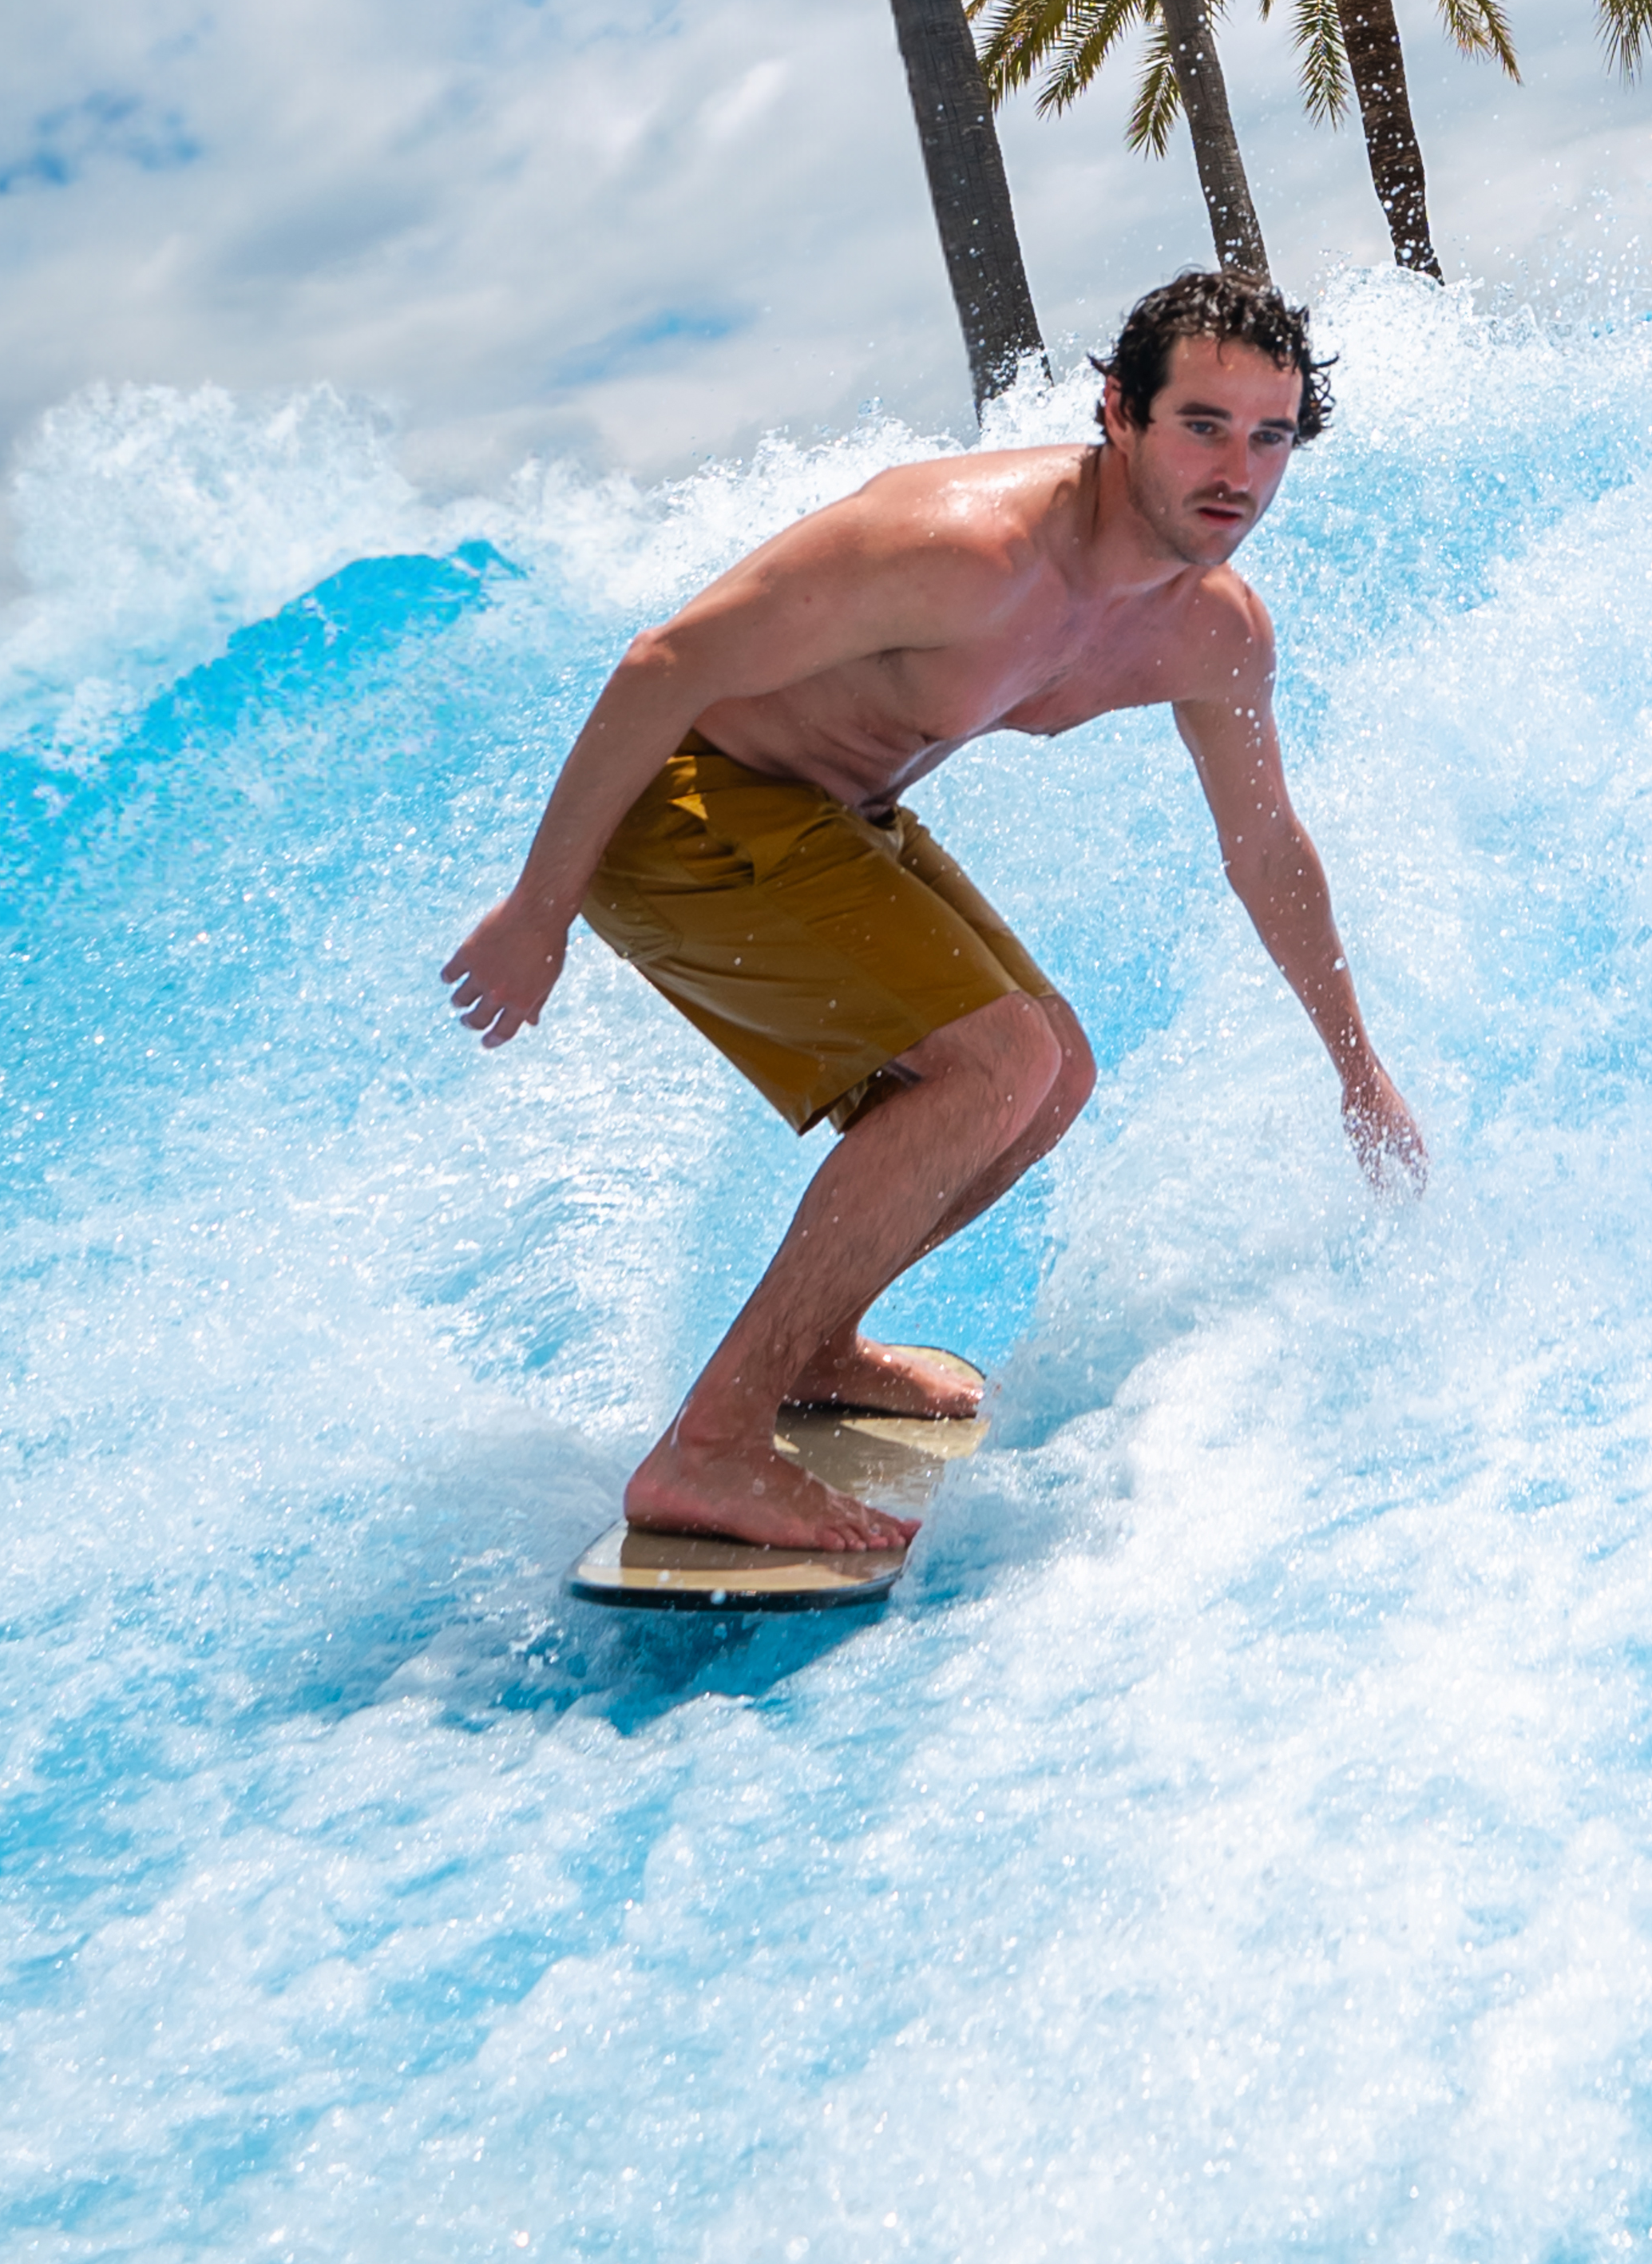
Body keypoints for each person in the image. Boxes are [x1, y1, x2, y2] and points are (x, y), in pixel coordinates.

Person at [442, 269, 1422, 1559]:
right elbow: (665, 662)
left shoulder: (1214, 632)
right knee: (995, 1060)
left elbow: (1266, 849)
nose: (1238, 468)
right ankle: (710, 1444)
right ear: (1119, 412)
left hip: (831, 816)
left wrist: (1357, 1069)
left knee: (1055, 1070)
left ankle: (813, 1352)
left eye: (1271, 436)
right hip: (682, 810)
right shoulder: (962, 549)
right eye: (1202, 424)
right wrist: (539, 907)